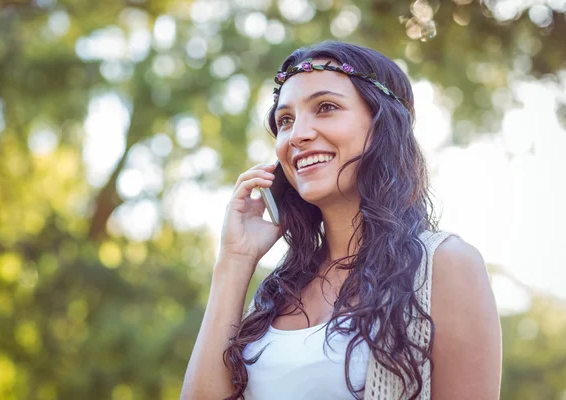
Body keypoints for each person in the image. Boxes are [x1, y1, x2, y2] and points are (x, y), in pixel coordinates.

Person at [181, 41, 502, 400]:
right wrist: (234, 260)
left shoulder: (446, 265)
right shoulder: (276, 293)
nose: (297, 135)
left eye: (326, 108)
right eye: (285, 120)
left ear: (383, 126)